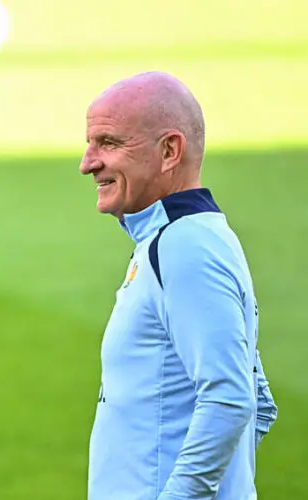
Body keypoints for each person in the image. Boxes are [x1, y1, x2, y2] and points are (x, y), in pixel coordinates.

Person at [80, 71, 278, 499]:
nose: (88, 163)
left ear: (170, 150)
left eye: (109, 143)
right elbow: (259, 402)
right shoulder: (179, 238)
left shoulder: (185, 247)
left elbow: (231, 401)